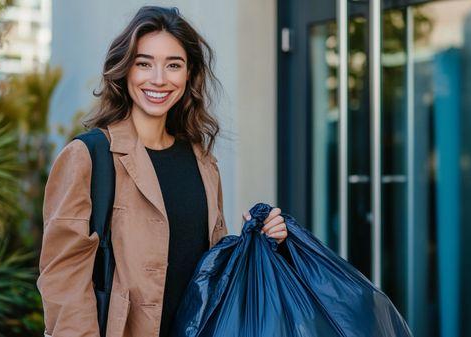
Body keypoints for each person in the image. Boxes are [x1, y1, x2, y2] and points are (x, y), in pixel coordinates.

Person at [37, 6, 288, 337]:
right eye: (144, 63)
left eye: (173, 65)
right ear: (125, 70)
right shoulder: (88, 156)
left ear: (188, 74)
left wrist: (262, 241)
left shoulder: (202, 162)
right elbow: (64, 281)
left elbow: (208, 270)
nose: (158, 79)